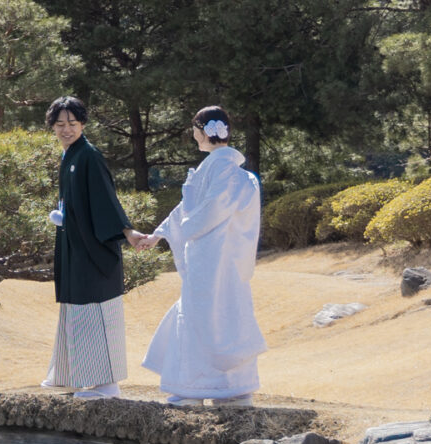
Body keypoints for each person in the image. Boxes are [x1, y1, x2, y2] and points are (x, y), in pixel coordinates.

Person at [130, 105, 265, 405]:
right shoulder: (229, 172)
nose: (193, 136)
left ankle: (201, 388)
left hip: (212, 261)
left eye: (194, 130)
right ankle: (228, 387)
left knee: (208, 318)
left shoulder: (224, 172)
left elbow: (202, 214)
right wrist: (159, 234)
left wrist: (184, 225)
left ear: (203, 132)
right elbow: (188, 210)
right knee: (224, 316)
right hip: (222, 261)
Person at [43, 95, 131, 400]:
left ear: (82, 124)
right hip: (75, 246)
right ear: (53, 126)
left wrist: (126, 231)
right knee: (76, 311)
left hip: (94, 249)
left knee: (94, 311)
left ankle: (107, 385)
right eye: (60, 124)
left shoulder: (89, 156)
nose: (66, 129)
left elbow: (106, 200)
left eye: (72, 123)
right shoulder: (70, 155)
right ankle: (73, 378)